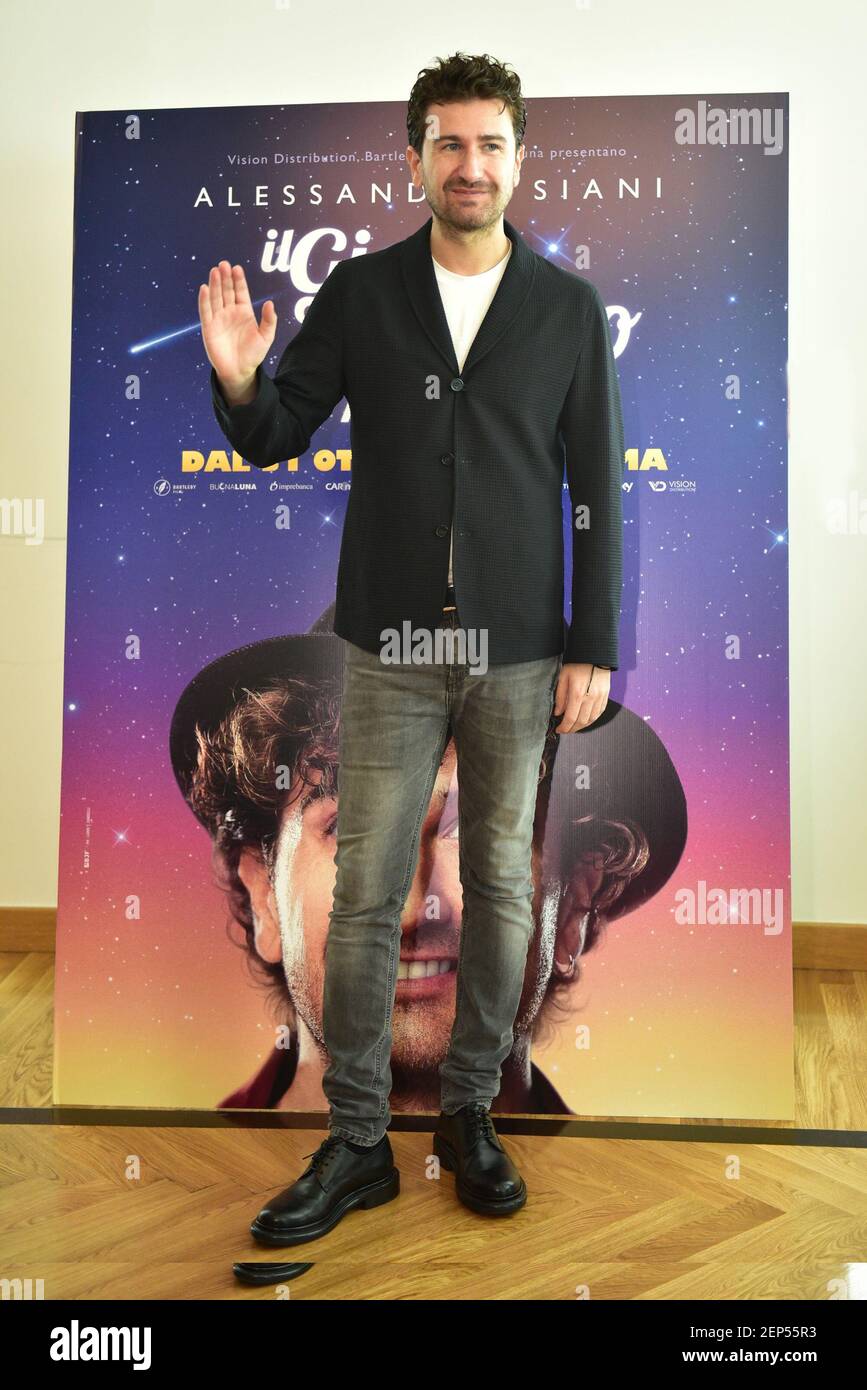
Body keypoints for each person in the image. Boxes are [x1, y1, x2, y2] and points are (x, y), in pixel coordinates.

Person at [198, 52, 625, 1246]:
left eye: (491, 143)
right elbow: (278, 432)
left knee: (496, 886)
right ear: (416, 156)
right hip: (388, 646)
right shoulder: (365, 293)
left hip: (522, 653)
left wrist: (593, 639)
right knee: (373, 892)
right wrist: (239, 382)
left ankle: (473, 1113)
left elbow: (595, 489)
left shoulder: (568, 312)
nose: (470, 164)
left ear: (520, 155)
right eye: (448, 143)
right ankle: (356, 1140)